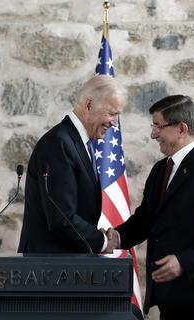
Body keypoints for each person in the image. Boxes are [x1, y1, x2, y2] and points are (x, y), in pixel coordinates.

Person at [107, 95, 194, 320]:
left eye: (158, 126)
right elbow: (146, 219)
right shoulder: (161, 169)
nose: (153, 134)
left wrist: (184, 261)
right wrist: (117, 237)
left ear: (181, 128)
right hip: (170, 296)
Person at [17, 75, 125, 253]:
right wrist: (103, 242)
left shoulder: (78, 142)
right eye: (112, 113)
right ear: (89, 105)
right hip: (47, 268)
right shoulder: (59, 143)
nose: (115, 123)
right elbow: (61, 218)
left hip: (64, 265)